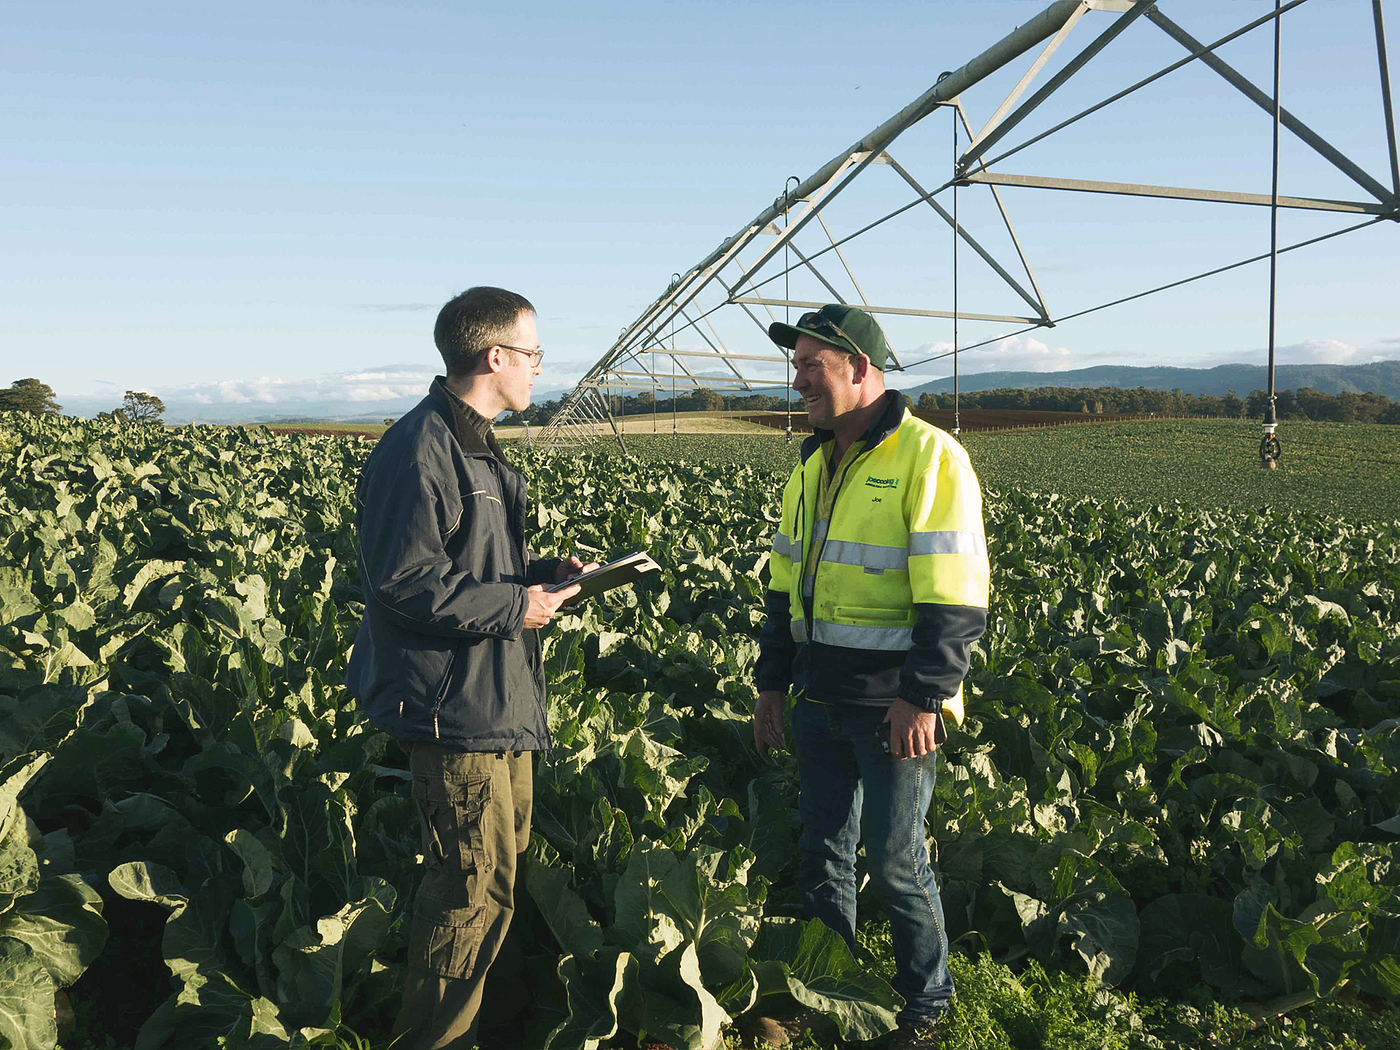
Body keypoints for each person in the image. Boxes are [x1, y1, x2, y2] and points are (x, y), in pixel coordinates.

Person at [345, 286, 595, 1050]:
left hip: (497, 702)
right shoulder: (421, 449)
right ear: (495, 357)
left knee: (500, 880)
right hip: (455, 712)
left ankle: (497, 1030)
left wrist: (543, 574)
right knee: (468, 895)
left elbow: (473, 564)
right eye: (534, 354)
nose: (538, 370)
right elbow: (406, 581)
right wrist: (515, 609)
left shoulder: (473, 445)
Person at [752, 304, 989, 1044]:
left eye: (810, 367)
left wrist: (922, 697)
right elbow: (785, 589)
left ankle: (928, 1003)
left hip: (894, 703)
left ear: (860, 368)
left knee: (894, 862)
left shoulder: (929, 457)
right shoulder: (810, 465)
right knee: (823, 851)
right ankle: (832, 990)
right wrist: (770, 684)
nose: (799, 384)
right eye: (795, 368)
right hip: (822, 696)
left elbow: (954, 595)